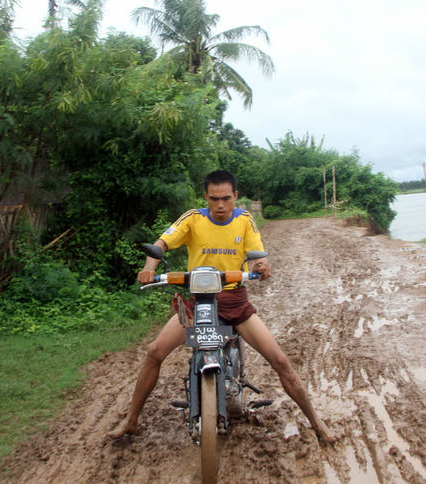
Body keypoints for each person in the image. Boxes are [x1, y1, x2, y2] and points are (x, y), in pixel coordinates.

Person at [108, 170, 334, 442]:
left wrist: (261, 267)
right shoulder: (193, 219)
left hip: (235, 301)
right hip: (196, 303)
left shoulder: (245, 221)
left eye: (226, 198)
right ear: (206, 197)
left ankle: (317, 423)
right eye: (214, 199)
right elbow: (162, 242)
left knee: (280, 360)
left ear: (235, 196)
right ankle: (131, 421)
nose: (220, 205)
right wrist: (149, 266)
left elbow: (258, 255)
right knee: (154, 352)